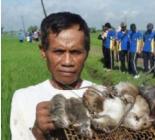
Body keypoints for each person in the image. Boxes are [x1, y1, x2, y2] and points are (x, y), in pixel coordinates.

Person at [10, 12, 94, 140]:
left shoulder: (102, 96)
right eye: (58, 51)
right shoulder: (23, 98)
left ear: (86, 53)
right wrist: (38, 132)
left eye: (75, 52)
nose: (67, 62)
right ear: (43, 52)